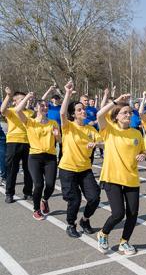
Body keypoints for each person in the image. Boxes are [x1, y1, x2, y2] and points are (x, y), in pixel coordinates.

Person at [96, 92, 146, 255]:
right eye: (125, 112)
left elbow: (143, 151)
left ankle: (124, 242)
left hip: (131, 178)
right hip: (112, 177)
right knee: (118, 213)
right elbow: (100, 114)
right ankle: (103, 234)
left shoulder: (137, 133)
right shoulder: (109, 129)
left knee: (133, 214)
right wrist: (116, 101)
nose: (128, 115)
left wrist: (143, 155)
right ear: (116, 116)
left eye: (130, 112)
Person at [58, 80, 102, 238]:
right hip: (68, 169)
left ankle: (85, 220)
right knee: (74, 200)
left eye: (83, 109)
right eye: (79, 110)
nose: (83, 111)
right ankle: (71, 224)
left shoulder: (90, 129)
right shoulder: (68, 126)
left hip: (85, 169)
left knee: (95, 197)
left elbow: (104, 143)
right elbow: (62, 113)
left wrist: (97, 143)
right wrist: (68, 93)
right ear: (73, 114)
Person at [15, 92, 60, 220]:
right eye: (41, 105)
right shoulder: (30, 122)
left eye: (46, 106)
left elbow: (60, 141)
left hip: (50, 157)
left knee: (50, 185)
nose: (45, 107)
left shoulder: (53, 123)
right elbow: (18, 110)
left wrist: (57, 135)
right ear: (35, 108)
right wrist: (28, 98)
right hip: (35, 157)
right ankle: (36, 209)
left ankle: (44, 200)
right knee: (39, 184)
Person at [1, 88, 33, 203]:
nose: (24, 100)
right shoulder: (11, 110)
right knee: (12, 169)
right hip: (13, 142)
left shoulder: (30, 112)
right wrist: (8, 95)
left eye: (25, 98)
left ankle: (28, 192)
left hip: (28, 143)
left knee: (29, 169)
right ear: (15, 101)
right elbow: (2, 110)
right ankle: (9, 193)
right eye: (21, 99)